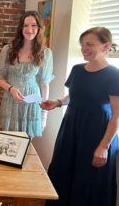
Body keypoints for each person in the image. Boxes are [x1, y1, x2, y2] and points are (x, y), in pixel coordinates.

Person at [41, 27, 119, 206]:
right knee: (62, 172)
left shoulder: (114, 75)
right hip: (70, 129)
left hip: (97, 133)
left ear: (105, 46)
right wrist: (58, 102)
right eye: (83, 44)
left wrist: (104, 147)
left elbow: (116, 115)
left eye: (90, 44)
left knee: (88, 180)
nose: (84, 48)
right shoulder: (77, 69)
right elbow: (75, 95)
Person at [0, 10, 54, 137]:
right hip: (11, 100)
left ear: (39, 28)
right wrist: (11, 89)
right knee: (8, 141)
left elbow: (44, 84)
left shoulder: (45, 53)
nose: (29, 29)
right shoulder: (8, 50)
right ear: (21, 28)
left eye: (33, 25)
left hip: (32, 104)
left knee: (26, 142)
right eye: (26, 25)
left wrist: (44, 115)